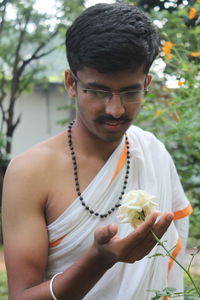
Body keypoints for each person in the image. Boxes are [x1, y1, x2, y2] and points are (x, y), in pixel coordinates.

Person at [2, 3, 192, 300]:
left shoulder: (152, 151)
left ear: (147, 84)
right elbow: (21, 296)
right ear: (71, 83)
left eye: (130, 92)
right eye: (100, 92)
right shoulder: (29, 173)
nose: (115, 110)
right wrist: (98, 260)